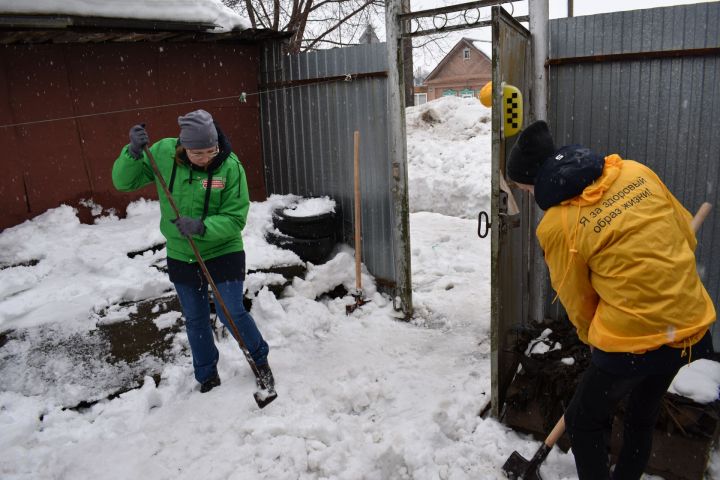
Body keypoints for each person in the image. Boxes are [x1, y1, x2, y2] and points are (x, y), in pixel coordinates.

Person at [506, 120, 716, 479]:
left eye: (524, 188)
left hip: (632, 341)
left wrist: (596, 343)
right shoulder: (634, 171)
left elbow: (577, 299)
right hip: (690, 326)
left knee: (586, 421)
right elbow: (685, 235)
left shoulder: (557, 224)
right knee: (641, 416)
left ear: (537, 181)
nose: (526, 195)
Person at [112, 109, 274, 394]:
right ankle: (207, 374)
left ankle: (259, 359)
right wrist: (133, 153)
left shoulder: (229, 167)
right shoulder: (162, 153)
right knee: (196, 317)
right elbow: (124, 182)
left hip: (223, 249)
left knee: (231, 311)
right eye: (196, 153)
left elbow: (236, 218)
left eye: (210, 151)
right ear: (183, 147)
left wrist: (202, 226)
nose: (205, 158)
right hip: (181, 252)